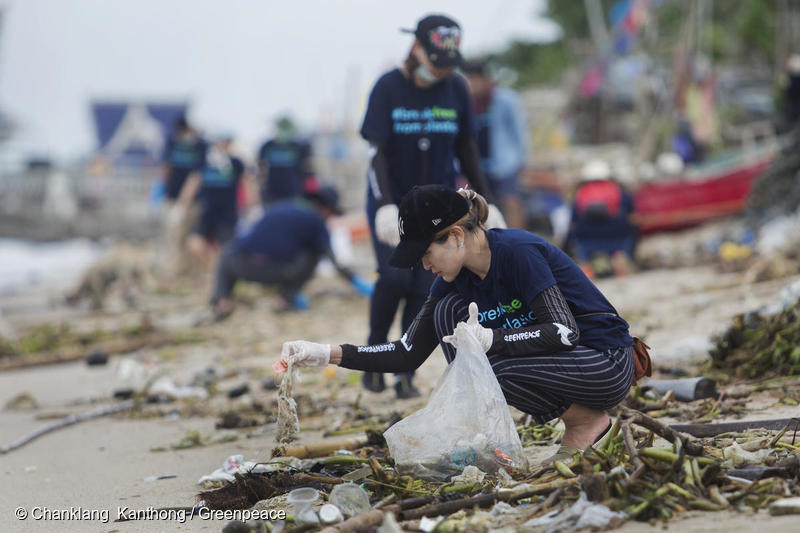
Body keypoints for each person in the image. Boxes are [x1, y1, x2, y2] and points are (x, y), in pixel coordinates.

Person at [279, 184, 635, 463]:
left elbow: (563, 330)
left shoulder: (517, 251)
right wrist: (325, 353)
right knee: (448, 314)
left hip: (604, 359)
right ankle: (570, 421)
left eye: (425, 254)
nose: (424, 265)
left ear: (456, 235)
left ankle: (584, 422)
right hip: (560, 365)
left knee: (491, 368)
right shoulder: (451, 281)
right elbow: (406, 353)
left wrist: (493, 339)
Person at [359, 13, 504, 399]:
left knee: (425, 284)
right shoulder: (388, 87)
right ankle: (376, 346)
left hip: (436, 204)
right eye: (435, 61)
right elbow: (377, 155)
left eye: (448, 64)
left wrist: (489, 200)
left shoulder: (456, 89)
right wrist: (386, 206)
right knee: (393, 278)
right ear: (418, 48)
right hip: (390, 197)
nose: (441, 71)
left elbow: (467, 149)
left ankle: (405, 370)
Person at [211, 185, 373, 318]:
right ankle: (285, 299)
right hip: (271, 270)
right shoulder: (316, 220)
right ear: (327, 208)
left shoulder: (284, 205)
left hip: (240, 265)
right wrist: (355, 281)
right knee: (314, 253)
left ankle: (222, 302)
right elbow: (332, 259)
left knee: (227, 255)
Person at [462, 59, 529, 229]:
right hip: (477, 165)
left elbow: (519, 131)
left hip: (505, 163)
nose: (471, 84)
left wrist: (522, 161)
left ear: (484, 79)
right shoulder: (466, 103)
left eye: (473, 79)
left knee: (511, 202)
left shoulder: (505, 100)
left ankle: (517, 242)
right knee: (478, 206)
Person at [184, 132, 248, 271]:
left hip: (227, 213)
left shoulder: (235, 162)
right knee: (194, 243)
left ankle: (218, 274)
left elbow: (248, 183)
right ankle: (213, 268)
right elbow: (193, 182)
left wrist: (252, 206)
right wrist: (182, 205)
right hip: (207, 212)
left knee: (225, 248)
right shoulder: (204, 161)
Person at [156, 116, 206, 282]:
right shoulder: (172, 142)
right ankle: (172, 274)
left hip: (192, 202)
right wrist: (162, 193)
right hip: (172, 198)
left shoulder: (200, 145)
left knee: (190, 238)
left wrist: (182, 204)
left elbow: (195, 177)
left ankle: (190, 275)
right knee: (172, 237)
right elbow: (166, 168)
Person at [568, 159, 637, 280]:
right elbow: (632, 214)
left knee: (581, 246)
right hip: (618, 237)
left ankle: (586, 266)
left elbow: (573, 221)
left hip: (587, 239)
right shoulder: (619, 192)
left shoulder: (580, 194)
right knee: (629, 231)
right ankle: (620, 259)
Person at [257, 116, 314, 206]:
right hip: (273, 193)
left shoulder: (300, 146)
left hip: (295, 193)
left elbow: (307, 169)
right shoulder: (267, 146)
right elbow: (261, 168)